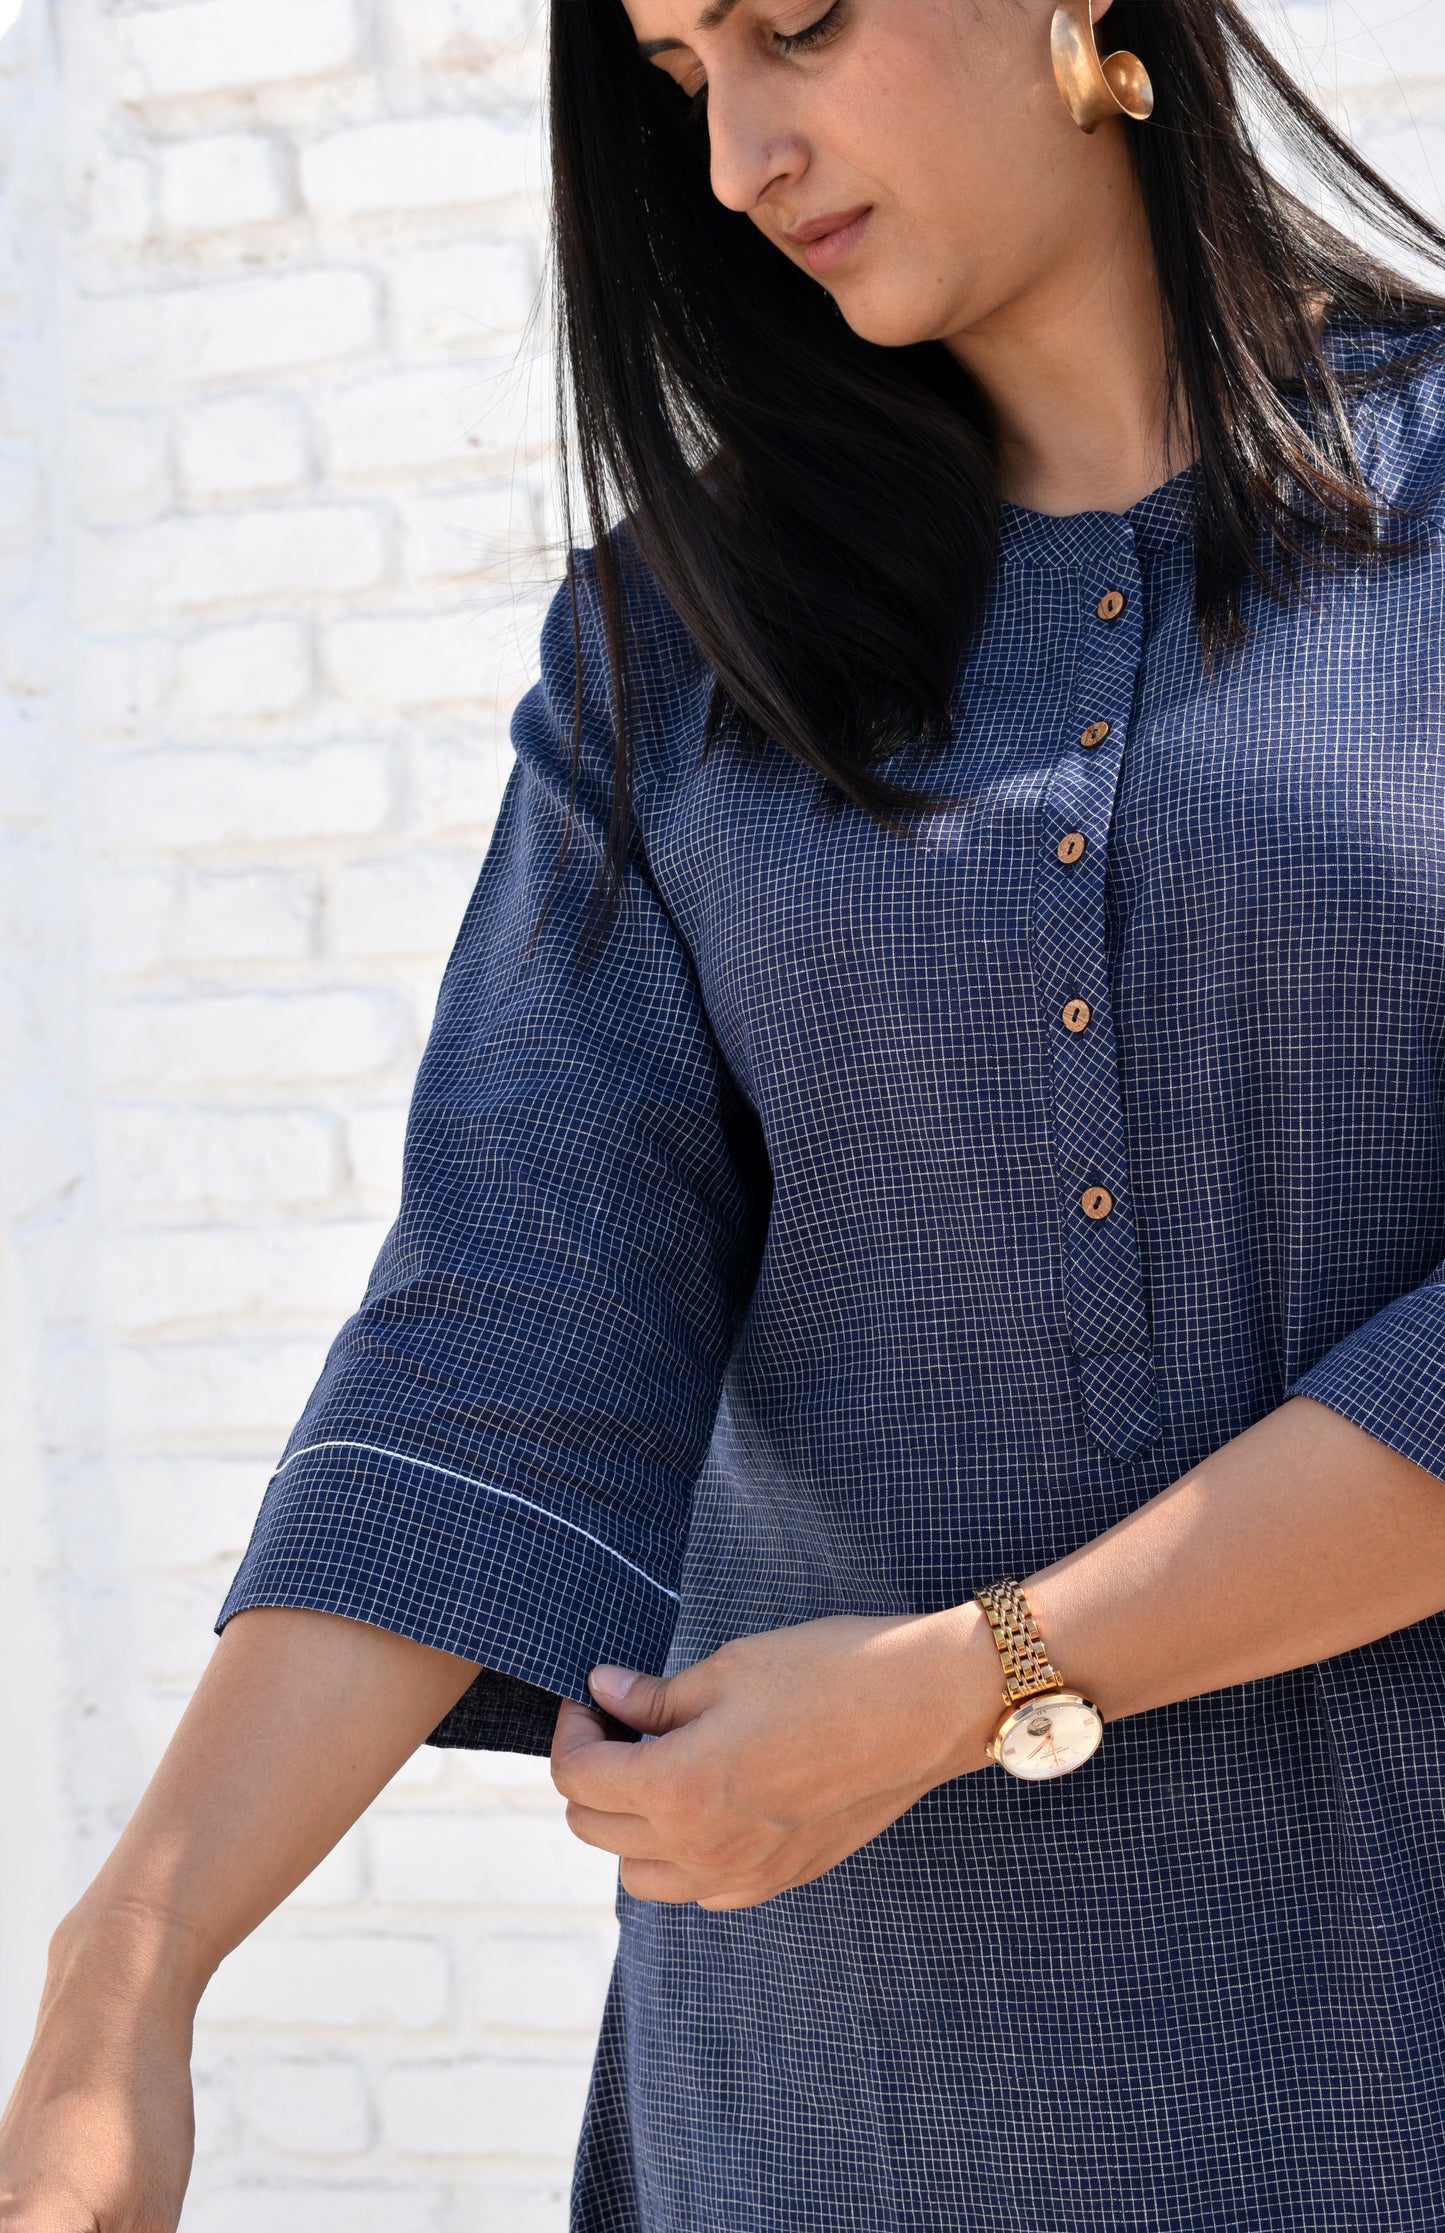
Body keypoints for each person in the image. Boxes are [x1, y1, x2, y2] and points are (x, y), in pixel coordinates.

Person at [7, 0, 1445, 2224]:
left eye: (795, 26)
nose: (738, 155)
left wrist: (964, 1687)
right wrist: (137, 1960)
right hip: (848, 2110)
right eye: (681, 79)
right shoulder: (678, 650)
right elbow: (505, 1319)